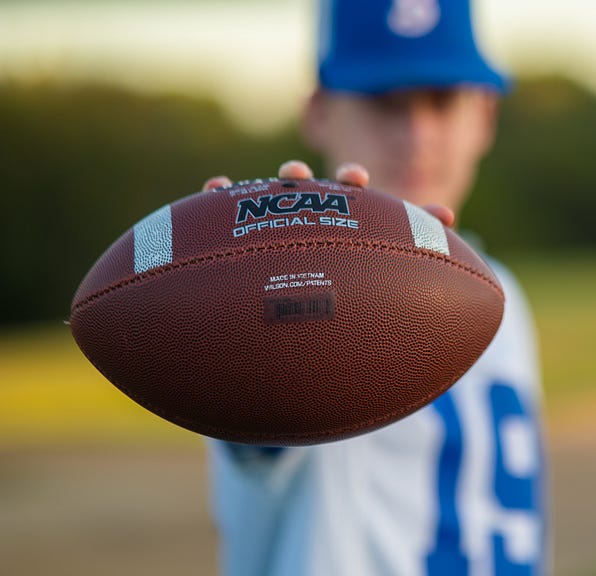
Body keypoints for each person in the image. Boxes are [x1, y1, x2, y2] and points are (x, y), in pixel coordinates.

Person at [201, 1, 547, 574]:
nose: (417, 134)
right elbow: (266, 429)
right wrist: (247, 305)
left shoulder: (500, 294)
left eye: (442, 100)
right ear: (318, 113)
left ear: (485, 116)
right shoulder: (307, 299)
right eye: (384, 102)